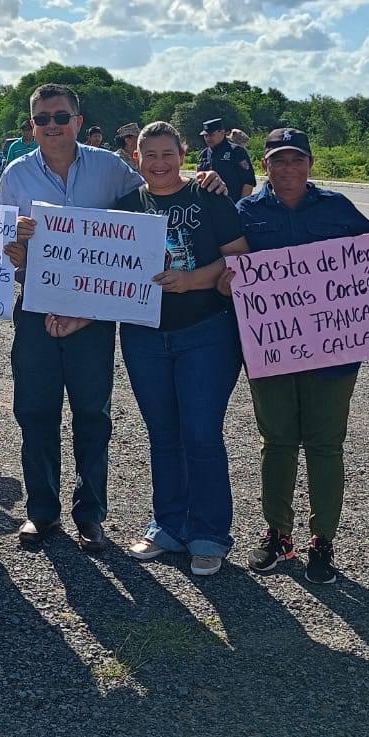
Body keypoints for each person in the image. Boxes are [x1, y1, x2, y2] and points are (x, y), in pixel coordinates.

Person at [0, 84, 228, 552]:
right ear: (32, 125)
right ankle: (41, 512)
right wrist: (15, 247)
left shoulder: (111, 169)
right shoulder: (16, 175)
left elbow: (153, 205)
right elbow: (1, 248)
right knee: (35, 410)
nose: (52, 126)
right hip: (36, 308)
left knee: (92, 413)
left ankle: (90, 514)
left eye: (61, 117)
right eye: (42, 119)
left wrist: (209, 182)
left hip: (95, 313)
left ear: (78, 121)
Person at [235, 128, 369, 583]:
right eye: (278, 160)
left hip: (333, 354)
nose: (288, 169)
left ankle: (323, 540)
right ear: (265, 165)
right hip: (273, 351)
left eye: (296, 159)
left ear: (310, 163)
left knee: (325, 446)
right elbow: (227, 263)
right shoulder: (245, 212)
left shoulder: (336, 208)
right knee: (277, 444)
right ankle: (277, 534)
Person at [112, 123, 250, 575]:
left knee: (201, 433)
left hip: (206, 332)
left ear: (183, 153)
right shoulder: (127, 207)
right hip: (144, 335)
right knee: (163, 433)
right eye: (149, 154)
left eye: (167, 153)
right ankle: (168, 526)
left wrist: (192, 280)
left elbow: (239, 257)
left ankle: (209, 534)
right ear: (137, 158)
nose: (159, 163)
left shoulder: (209, 196)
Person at [198, 119, 256, 198]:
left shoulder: (236, 151)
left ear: (222, 132)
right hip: (209, 206)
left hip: (232, 204)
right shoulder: (204, 154)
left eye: (211, 135)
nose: (208, 138)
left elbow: (248, 182)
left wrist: (241, 205)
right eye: (205, 136)